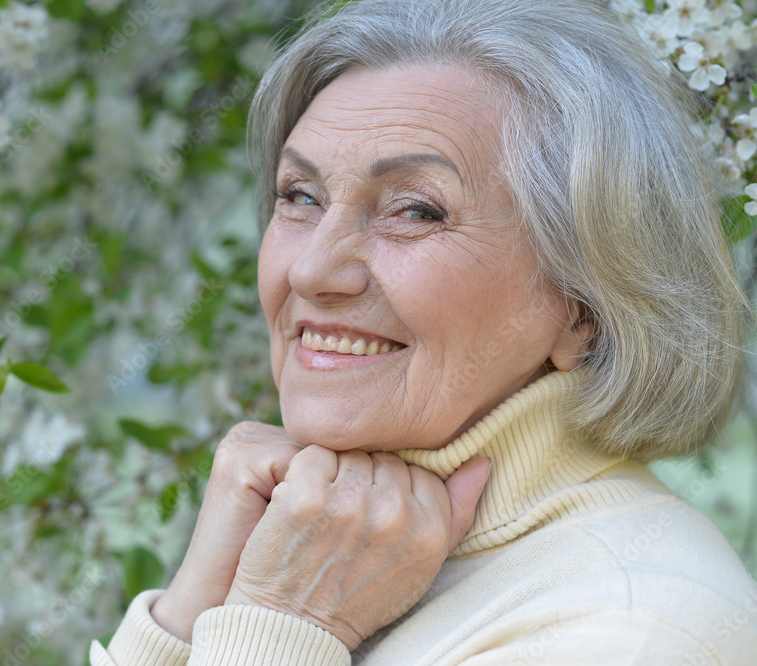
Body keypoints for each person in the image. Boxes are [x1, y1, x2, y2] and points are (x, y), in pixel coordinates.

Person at [90, 0, 757, 663]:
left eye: (415, 211)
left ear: (583, 302)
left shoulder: (639, 626)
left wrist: (283, 625)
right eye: (299, 196)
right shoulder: (311, 543)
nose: (313, 269)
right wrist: (187, 617)